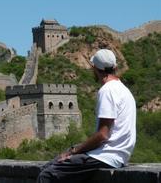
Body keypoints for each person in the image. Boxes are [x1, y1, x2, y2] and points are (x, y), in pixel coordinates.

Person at [36, 49, 137, 183]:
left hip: (107, 155)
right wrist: (72, 150)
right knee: (52, 164)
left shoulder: (107, 90)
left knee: (47, 176)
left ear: (95, 68)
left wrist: (73, 152)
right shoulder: (124, 90)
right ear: (115, 67)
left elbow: (103, 135)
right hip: (119, 154)